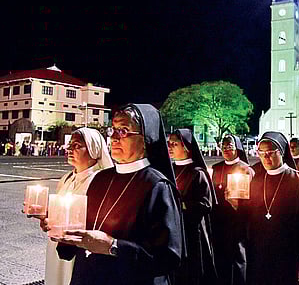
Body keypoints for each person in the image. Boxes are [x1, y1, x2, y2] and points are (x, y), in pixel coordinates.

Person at [55, 104, 184, 285]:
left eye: (123, 130)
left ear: (146, 139)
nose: (114, 138)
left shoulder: (157, 186)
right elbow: (80, 232)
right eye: (113, 130)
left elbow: (168, 257)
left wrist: (113, 246)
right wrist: (62, 230)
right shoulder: (100, 178)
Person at [34, 128, 114, 285]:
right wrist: (47, 220)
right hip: (58, 244)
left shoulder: (102, 181)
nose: (69, 149)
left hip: (81, 249)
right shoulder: (67, 178)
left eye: (77, 145)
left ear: (94, 149)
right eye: (70, 144)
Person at [244, 131, 299, 285]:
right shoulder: (255, 180)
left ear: (282, 151)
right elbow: (248, 217)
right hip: (259, 252)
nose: (266, 157)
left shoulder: (298, 180)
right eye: (261, 152)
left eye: (271, 152)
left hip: (288, 253)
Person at [168, 128, 217, 285]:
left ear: (186, 147)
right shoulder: (170, 170)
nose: (169, 147)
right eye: (169, 143)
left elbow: (205, 204)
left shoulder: (197, 173)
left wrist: (180, 205)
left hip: (192, 232)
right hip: (174, 230)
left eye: (174, 144)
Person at [211, 135, 254, 285]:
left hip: (237, 221)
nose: (226, 150)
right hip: (218, 221)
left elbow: (252, 200)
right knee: (220, 258)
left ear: (237, 148)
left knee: (237, 258)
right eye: (223, 147)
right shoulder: (216, 168)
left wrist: (237, 204)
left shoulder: (246, 169)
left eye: (230, 146)